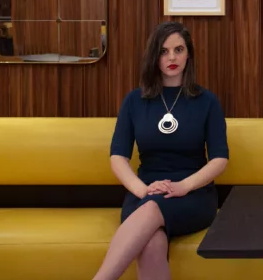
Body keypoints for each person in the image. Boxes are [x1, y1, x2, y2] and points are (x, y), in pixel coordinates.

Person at [93, 21, 229, 280]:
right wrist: (142, 190)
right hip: (144, 189)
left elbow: (220, 159)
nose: (172, 57)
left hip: (194, 193)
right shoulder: (134, 100)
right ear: (153, 57)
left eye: (178, 50)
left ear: (188, 54)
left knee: (153, 209)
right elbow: (118, 157)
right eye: (163, 51)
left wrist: (183, 186)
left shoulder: (207, 101)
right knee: (152, 244)